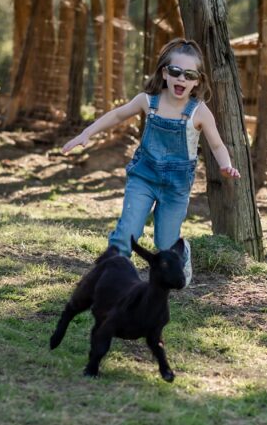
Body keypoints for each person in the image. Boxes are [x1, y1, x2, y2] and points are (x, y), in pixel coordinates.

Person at [62, 36, 240, 278]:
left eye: (189, 75)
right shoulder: (148, 101)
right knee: (128, 232)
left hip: (176, 187)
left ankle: (182, 252)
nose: (181, 79)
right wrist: (87, 132)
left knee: (165, 243)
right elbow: (116, 115)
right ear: (165, 73)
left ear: (197, 81)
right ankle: (114, 269)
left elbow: (217, 146)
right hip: (143, 177)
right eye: (176, 71)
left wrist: (226, 165)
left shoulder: (199, 111)